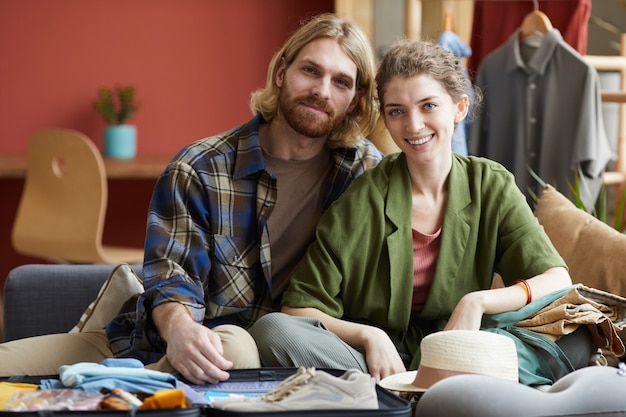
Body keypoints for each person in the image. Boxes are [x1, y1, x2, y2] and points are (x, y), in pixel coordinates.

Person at [0, 13, 384, 385]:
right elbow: (172, 277)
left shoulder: (363, 173)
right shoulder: (200, 167)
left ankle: (112, 390)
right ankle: (116, 386)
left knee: (236, 348)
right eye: (311, 71)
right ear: (282, 73)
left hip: (241, 356)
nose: (321, 91)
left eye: (341, 82)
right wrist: (180, 329)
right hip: (153, 343)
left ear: (354, 99)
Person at [248, 39, 581, 383]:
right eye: (397, 111)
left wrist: (477, 303)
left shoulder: (490, 184)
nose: (414, 125)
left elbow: (556, 279)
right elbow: (298, 309)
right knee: (273, 331)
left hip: (463, 347)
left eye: (428, 106)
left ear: (459, 108)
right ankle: (435, 386)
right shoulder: (362, 199)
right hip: (377, 360)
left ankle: (426, 386)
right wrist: (369, 337)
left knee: (579, 336)